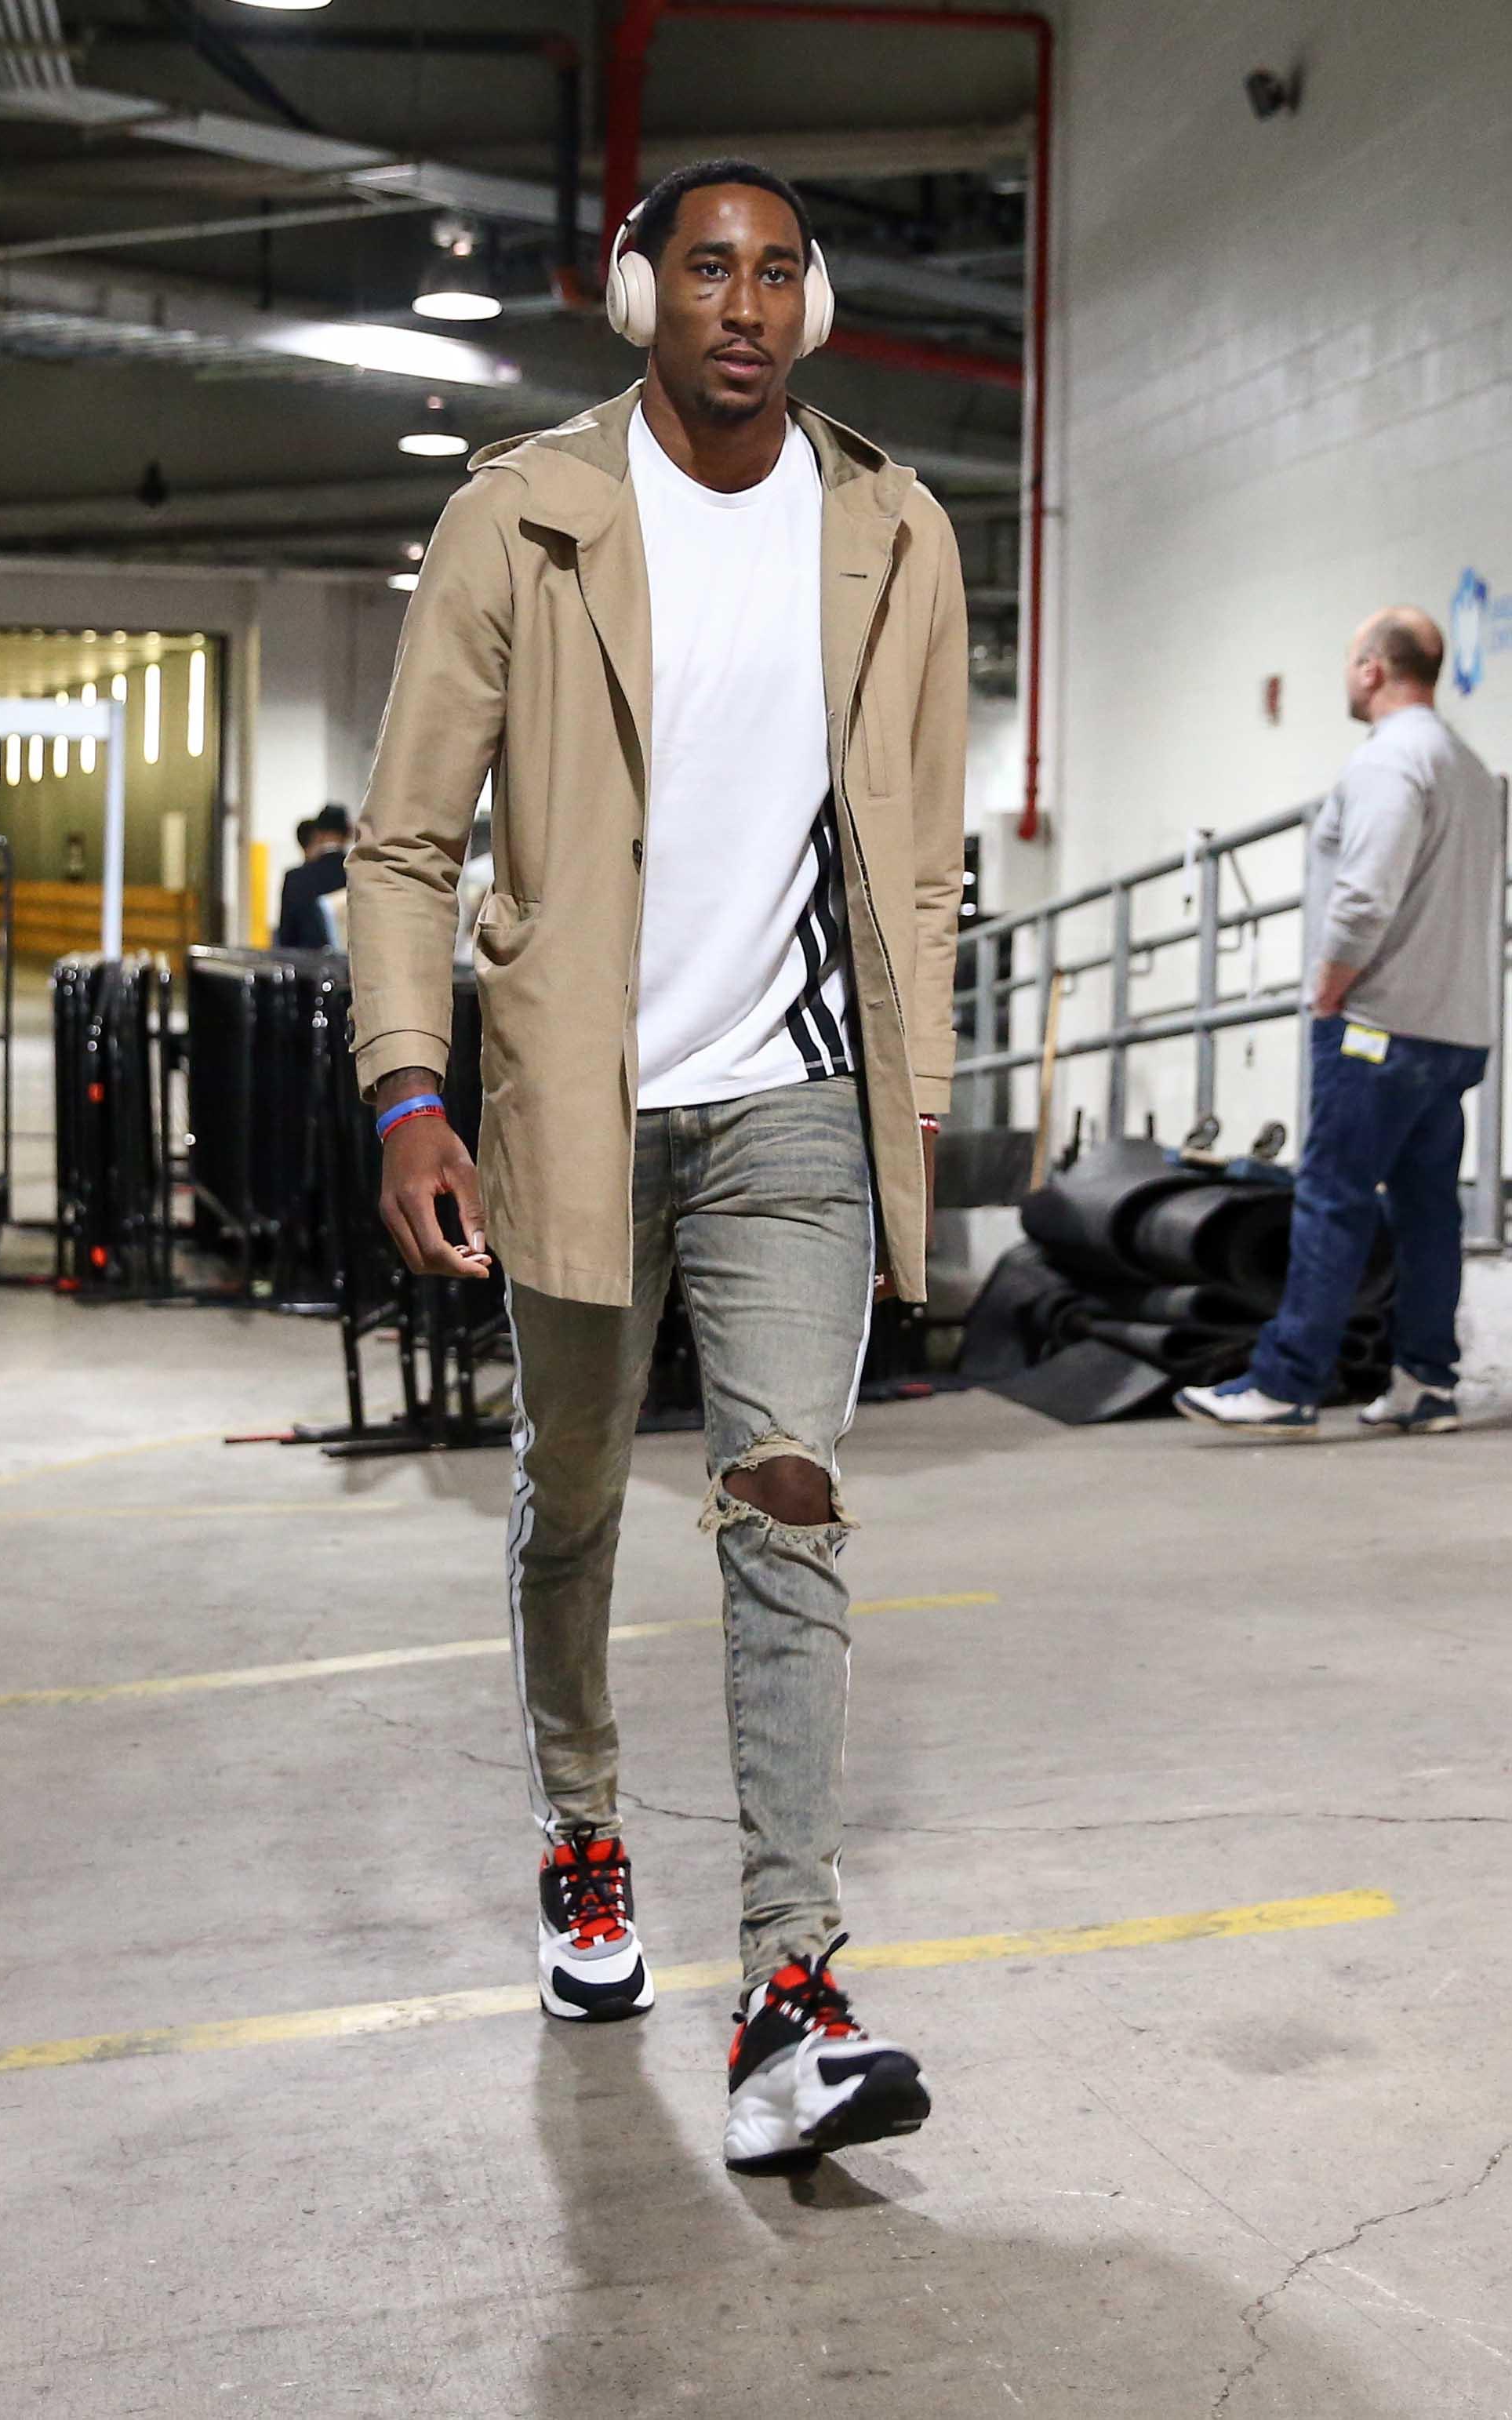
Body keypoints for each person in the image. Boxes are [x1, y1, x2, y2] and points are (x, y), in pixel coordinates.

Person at [346, 158, 966, 2167]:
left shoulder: (892, 530)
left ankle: (794, 1977)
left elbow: (921, 854)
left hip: (795, 1098)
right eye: (707, 265)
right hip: (576, 1093)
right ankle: (584, 1822)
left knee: (788, 1499)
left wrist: (911, 1105)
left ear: (818, 306)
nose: (745, 301)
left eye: (781, 269)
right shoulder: (519, 512)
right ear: (638, 295)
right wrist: (406, 1083)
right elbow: (407, 840)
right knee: (580, 1492)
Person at [1176, 608, 1502, 1440]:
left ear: (1370, 668)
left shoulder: (1391, 760)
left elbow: (1364, 888)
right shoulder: (1466, 766)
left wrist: (1328, 986)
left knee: (1331, 1197)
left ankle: (1286, 1383)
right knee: (1429, 1207)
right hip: (1455, 1027)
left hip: (1376, 1023)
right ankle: (1423, 1380)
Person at [275, 804, 351, 949]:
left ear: (317, 834)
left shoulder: (296, 878)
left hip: (309, 968)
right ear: (349, 833)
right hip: (352, 967)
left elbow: (286, 939)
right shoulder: (358, 876)